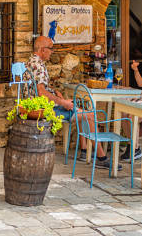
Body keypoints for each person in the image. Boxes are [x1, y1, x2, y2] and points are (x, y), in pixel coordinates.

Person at [24, 36, 116, 169]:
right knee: (89, 114)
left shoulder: (31, 61)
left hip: (37, 106)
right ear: (43, 50)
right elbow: (41, 92)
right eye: (50, 49)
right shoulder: (39, 66)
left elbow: (39, 88)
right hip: (45, 110)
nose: (52, 52)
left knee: (80, 109)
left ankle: (84, 151)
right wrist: (62, 103)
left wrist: (55, 92)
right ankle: (101, 157)